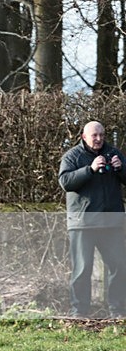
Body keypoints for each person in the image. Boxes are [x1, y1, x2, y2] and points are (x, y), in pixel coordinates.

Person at [58, 120, 126, 318]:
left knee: (119, 266)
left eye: (102, 135)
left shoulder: (114, 154)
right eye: (94, 135)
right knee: (82, 270)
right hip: (83, 223)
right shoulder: (72, 156)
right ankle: (79, 312)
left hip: (111, 222)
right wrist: (90, 169)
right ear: (84, 137)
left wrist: (121, 168)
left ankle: (118, 311)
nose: (98, 139)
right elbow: (65, 182)